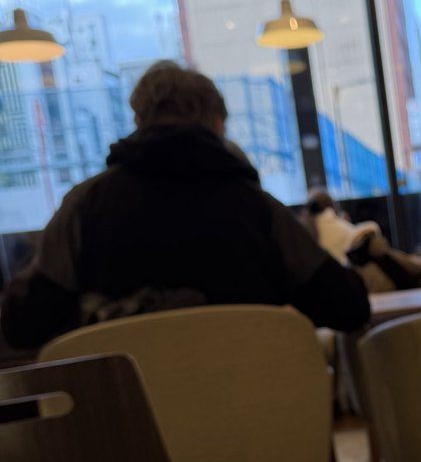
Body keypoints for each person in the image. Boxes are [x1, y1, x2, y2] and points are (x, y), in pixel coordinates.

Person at [0, 61, 370, 349]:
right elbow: (348, 308)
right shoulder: (257, 208)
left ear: (139, 120)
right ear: (217, 125)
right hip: (251, 411)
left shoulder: (85, 206)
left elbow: (23, 324)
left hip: (126, 417)